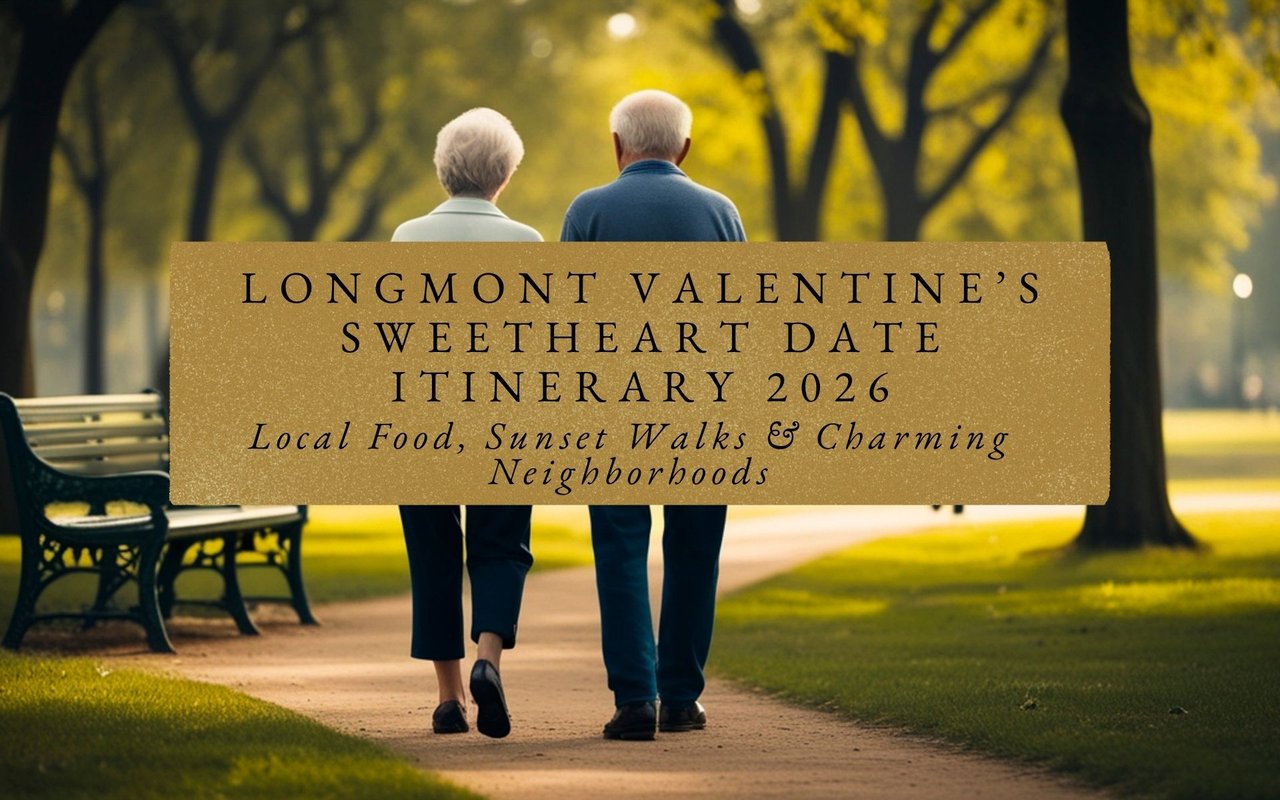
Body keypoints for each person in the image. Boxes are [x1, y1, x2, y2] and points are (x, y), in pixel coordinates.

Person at [560, 89, 747, 740]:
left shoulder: (587, 212)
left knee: (619, 548)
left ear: (618, 147)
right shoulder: (722, 213)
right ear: (684, 149)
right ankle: (680, 696)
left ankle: (633, 699)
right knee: (696, 552)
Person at [392, 107, 540, 738]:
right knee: (501, 544)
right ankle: (488, 661)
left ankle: (449, 698)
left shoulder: (406, 239)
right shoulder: (527, 244)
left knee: (432, 551)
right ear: (504, 175)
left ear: (443, 169)